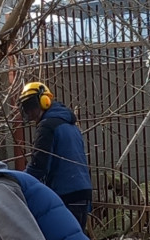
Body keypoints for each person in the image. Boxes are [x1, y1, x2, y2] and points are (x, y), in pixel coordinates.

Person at [18, 82, 94, 230]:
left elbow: (38, 167)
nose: (30, 112)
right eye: (27, 108)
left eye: (32, 106)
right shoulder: (69, 124)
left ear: (44, 101)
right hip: (82, 192)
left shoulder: (47, 126)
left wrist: (18, 182)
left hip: (65, 194)